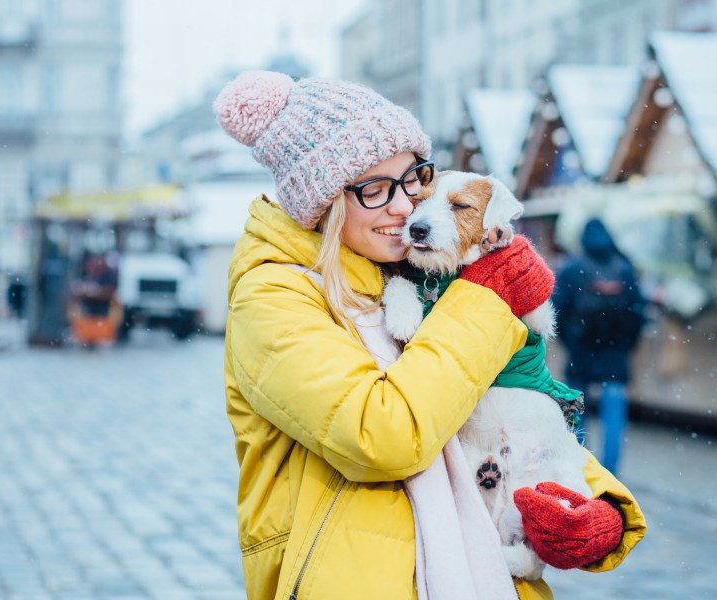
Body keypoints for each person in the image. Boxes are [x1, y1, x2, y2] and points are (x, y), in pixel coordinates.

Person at [216, 71, 645, 600]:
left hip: (483, 573)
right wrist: (485, 301)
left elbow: (505, 410)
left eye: (414, 178)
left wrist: (598, 507)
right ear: (321, 202)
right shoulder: (274, 296)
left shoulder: (408, 270)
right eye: (374, 188)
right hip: (365, 582)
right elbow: (385, 435)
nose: (406, 207)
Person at [554, 218, 646, 475]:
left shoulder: (572, 269)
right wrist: (625, 347)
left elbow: (557, 313)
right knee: (613, 419)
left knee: (574, 413)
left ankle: (580, 468)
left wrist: (571, 344)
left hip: (579, 354)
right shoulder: (625, 270)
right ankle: (610, 474)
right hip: (615, 357)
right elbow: (638, 315)